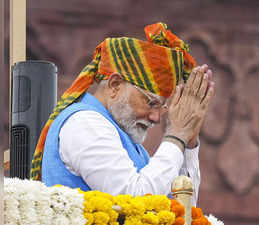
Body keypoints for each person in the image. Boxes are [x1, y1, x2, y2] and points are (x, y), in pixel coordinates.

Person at [30, 22, 215, 206]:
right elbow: (134, 199)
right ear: (115, 85)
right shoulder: (84, 124)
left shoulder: (134, 149)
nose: (156, 118)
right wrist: (176, 135)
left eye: (162, 108)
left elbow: (181, 211)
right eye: (151, 103)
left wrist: (189, 142)